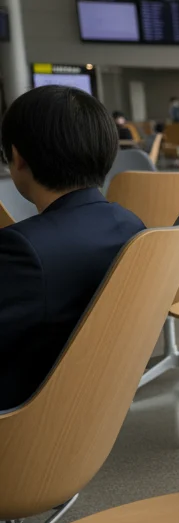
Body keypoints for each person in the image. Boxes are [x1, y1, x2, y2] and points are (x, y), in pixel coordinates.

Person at [0, 85, 146, 410]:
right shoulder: (131, 225)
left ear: (18, 158)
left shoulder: (24, 249)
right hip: (83, 414)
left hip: (19, 421)